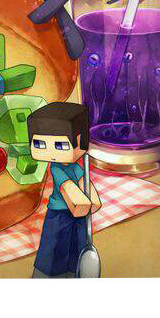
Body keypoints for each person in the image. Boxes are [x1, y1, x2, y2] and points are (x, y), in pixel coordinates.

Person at [28, 102, 102, 278]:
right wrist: (82, 203)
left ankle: (75, 272)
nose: (51, 152)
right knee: (55, 248)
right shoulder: (56, 168)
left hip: (79, 216)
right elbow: (68, 188)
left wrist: (92, 200)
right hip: (59, 215)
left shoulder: (77, 167)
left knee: (78, 246)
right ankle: (48, 276)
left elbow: (84, 182)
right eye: (39, 144)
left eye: (60, 146)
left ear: (80, 141)